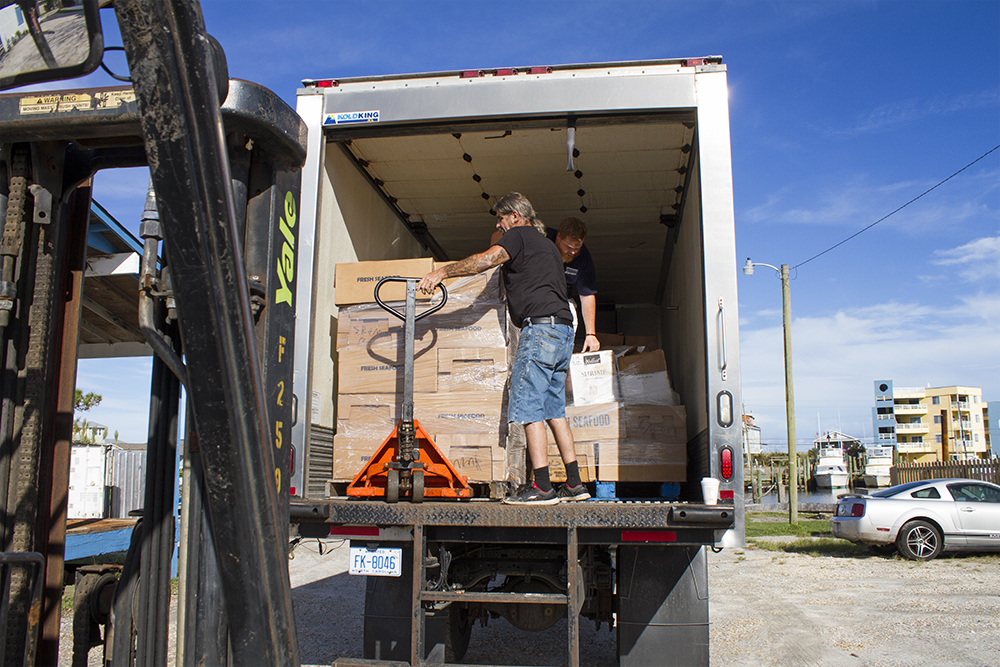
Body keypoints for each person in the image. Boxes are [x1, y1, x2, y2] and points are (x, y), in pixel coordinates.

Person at [418, 192, 590, 504]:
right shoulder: (549, 249)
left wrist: (441, 272)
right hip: (563, 330)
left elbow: (484, 261)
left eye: (500, 218)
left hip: (540, 329)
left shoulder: (519, 236)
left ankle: (541, 486)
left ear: (515, 215)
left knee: (526, 404)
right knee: (554, 409)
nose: (498, 225)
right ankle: (575, 483)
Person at [546, 218, 600, 353]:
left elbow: (587, 294)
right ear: (558, 237)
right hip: (536, 296)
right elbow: (508, 236)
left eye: (577, 248)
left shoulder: (583, 258)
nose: (573, 252)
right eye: (569, 247)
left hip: (563, 299)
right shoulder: (542, 237)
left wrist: (591, 335)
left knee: (569, 325)